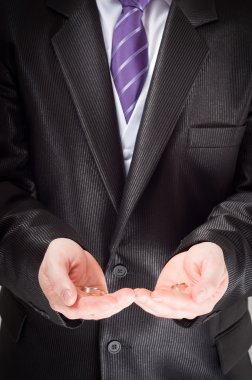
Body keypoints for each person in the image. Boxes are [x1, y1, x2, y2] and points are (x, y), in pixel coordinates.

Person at [0, 0, 252, 378]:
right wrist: (38, 252)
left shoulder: (244, 20)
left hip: (201, 360)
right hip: (46, 357)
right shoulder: (15, 16)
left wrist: (226, 253)